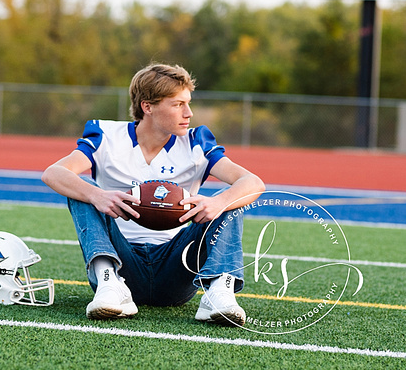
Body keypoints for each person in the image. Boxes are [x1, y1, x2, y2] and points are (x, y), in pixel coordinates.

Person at [42, 63, 265, 325]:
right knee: (82, 194)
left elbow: (253, 182)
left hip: (177, 265)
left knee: (231, 201)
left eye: (188, 103)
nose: (189, 113)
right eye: (177, 104)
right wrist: (97, 195)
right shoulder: (107, 137)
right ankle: (108, 284)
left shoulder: (195, 141)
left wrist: (218, 202)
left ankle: (219, 292)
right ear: (147, 106)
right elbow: (54, 173)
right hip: (123, 264)